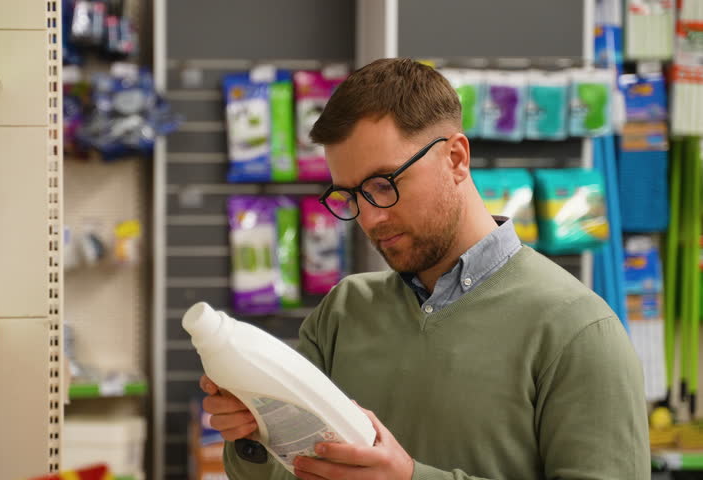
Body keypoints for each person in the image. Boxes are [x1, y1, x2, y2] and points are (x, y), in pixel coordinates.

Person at [199, 58, 649, 480]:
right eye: (351, 196)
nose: (368, 218)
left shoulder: (577, 330)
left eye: (383, 184)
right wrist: (254, 436)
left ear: (455, 158)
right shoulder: (342, 312)